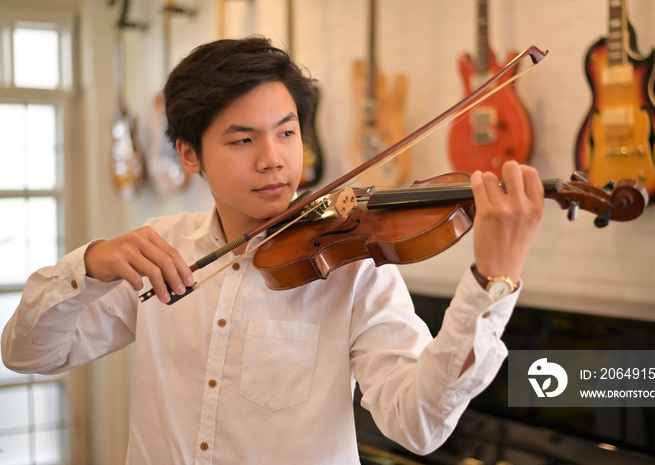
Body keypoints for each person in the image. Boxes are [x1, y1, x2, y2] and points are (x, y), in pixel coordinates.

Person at [2, 36, 544, 464]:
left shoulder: (354, 268)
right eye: (243, 141)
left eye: (286, 133)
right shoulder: (159, 252)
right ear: (190, 155)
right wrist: (87, 266)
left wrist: (492, 282)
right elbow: (28, 354)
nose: (274, 159)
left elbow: (417, 425)